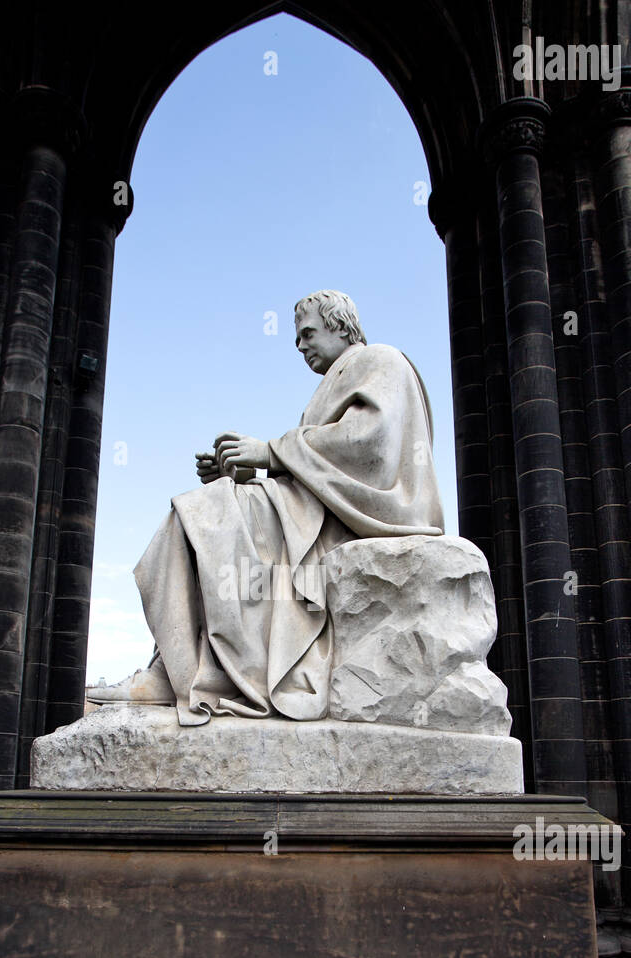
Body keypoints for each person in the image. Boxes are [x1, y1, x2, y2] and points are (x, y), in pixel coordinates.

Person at [92, 290, 444, 725]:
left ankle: (188, 670)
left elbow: (369, 445)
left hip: (360, 517)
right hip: (318, 511)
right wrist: (238, 476)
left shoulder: (381, 361)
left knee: (208, 515)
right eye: (297, 338)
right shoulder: (331, 383)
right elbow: (311, 476)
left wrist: (270, 453)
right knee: (203, 513)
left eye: (308, 333)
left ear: (341, 326)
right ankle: (180, 663)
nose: (300, 346)